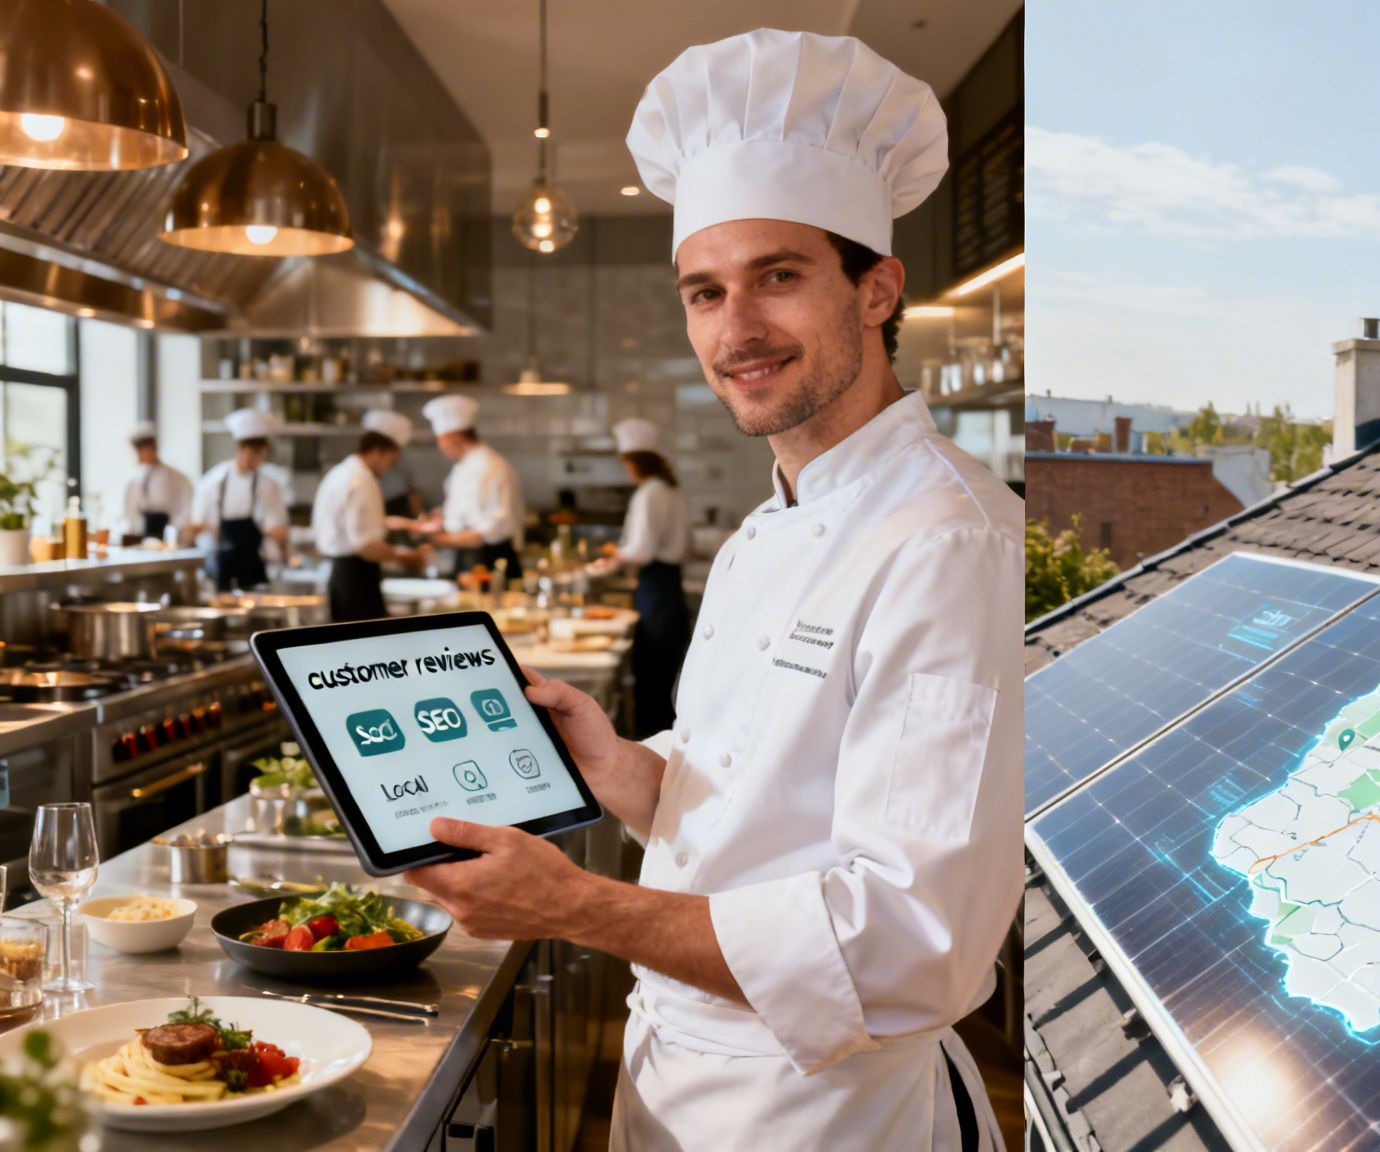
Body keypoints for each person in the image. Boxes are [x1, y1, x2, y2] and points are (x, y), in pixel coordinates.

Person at [403, 29, 1022, 1152]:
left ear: (875, 287)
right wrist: (622, 769)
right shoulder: (760, 532)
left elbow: (911, 944)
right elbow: (752, 818)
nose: (734, 331)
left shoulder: (951, 540)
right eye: (703, 292)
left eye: (777, 278)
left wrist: (572, 907)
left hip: (823, 1114)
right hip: (674, 1075)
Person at [588, 417, 692, 737]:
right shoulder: (672, 490)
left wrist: (615, 556)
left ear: (635, 462)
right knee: (661, 675)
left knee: (651, 677)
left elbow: (642, 551)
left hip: (656, 586)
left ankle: (649, 749)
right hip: (669, 585)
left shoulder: (649, 493)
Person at [311, 411, 433, 623]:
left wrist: (403, 524)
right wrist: (408, 557)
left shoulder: (343, 473)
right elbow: (366, 546)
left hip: (345, 575)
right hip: (356, 578)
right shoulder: (360, 482)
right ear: (379, 452)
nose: (390, 467)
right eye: (392, 459)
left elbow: (356, 526)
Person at [417, 394, 525, 581]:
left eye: (441, 440)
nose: (441, 447)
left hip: (490, 561)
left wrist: (444, 540)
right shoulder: (463, 467)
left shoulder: (492, 466)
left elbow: (495, 527)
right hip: (466, 558)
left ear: (456, 437)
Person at [190, 408, 289, 591]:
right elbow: (195, 526)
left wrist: (271, 536)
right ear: (239, 448)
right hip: (221, 567)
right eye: (252, 453)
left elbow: (279, 530)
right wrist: (211, 530)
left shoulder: (268, 485)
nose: (255, 460)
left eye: (260, 455)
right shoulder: (213, 481)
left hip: (255, 567)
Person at [119, 421, 193, 544]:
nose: (139, 455)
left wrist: (173, 531)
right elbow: (130, 511)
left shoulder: (176, 477)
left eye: (141, 450)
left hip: (169, 534)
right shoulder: (134, 479)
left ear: (153, 447)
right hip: (142, 537)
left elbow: (186, 508)